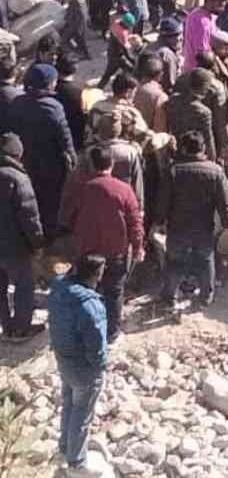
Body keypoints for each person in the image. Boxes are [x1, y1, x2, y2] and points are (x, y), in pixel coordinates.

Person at [59, 146, 143, 343]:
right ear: (111, 165)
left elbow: (66, 218)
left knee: (87, 292)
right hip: (116, 252)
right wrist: (138, 247)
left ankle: (87, 330)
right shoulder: (124, 189)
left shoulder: (81, 189)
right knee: (114, 292)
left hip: (87, 252)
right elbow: (135, 222)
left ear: (91, 165)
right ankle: (111, 333)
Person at [47, 254, 109, 478]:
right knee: (82, 414)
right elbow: (96, 346)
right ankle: (77, 463)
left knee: (69, 405)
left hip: (64, 360)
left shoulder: (58, 290)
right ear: (97, 274)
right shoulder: (91, 306)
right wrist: (102, 366)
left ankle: (64, 449)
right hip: (84, 369)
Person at [157, 130, 228, 312]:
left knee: (174, 261)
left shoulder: (173, 171)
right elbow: (224, 202)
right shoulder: (215, 171)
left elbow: (163, 201)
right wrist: (227, 222)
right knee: (205, 260)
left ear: (183, 149)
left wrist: (159, 221)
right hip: (204, 225)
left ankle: (169, 298)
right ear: (203, 148)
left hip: (178, 226)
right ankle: (206, 297)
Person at [9, 64, 74, 238]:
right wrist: (72, 159)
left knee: (32, 194)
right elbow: (65, 138)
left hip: (26, 159)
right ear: (48, 84)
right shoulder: (53, 107)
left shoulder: (17, 103)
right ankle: (49, 230)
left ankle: (33, 229)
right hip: (51, 162)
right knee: (52, 198)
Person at [0, 133, 45, 342]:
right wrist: (38, 243)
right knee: (24, 284)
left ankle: (7, 326)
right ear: (17, 153)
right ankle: (21, 329)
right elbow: (29, 216)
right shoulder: (17, 178)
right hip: (14, 245)